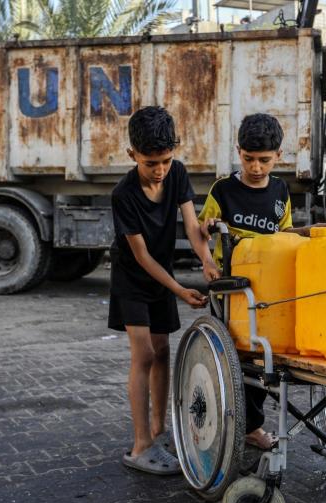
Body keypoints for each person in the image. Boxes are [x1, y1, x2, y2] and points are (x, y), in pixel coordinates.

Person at [198, 112, 326, 450]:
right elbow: (201, 229)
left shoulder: (280, 191)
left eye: (264, 160)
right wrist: (207, 259)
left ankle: (250, 426)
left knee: (262, 356)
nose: (256, 167)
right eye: (249, 159)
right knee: (237, 355)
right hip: (234, 286)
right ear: (239, 152)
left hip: (269, 287)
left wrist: (307, 232)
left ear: (278, 157)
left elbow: (283, 234)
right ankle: (233, 421)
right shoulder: (223, 190)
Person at [109, 106, 219, 475]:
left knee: (162, 350)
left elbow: (191, 225)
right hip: (134, 279)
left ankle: (159, 429)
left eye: (165, 161)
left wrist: (206, 260)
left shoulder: (177, 174)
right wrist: (179, 290)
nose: (159, 171)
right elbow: (139, 256)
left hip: (162, 274)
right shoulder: (123, 194)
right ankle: (141, 445)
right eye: (150, 163)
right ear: (132, 155)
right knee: (142, 356)